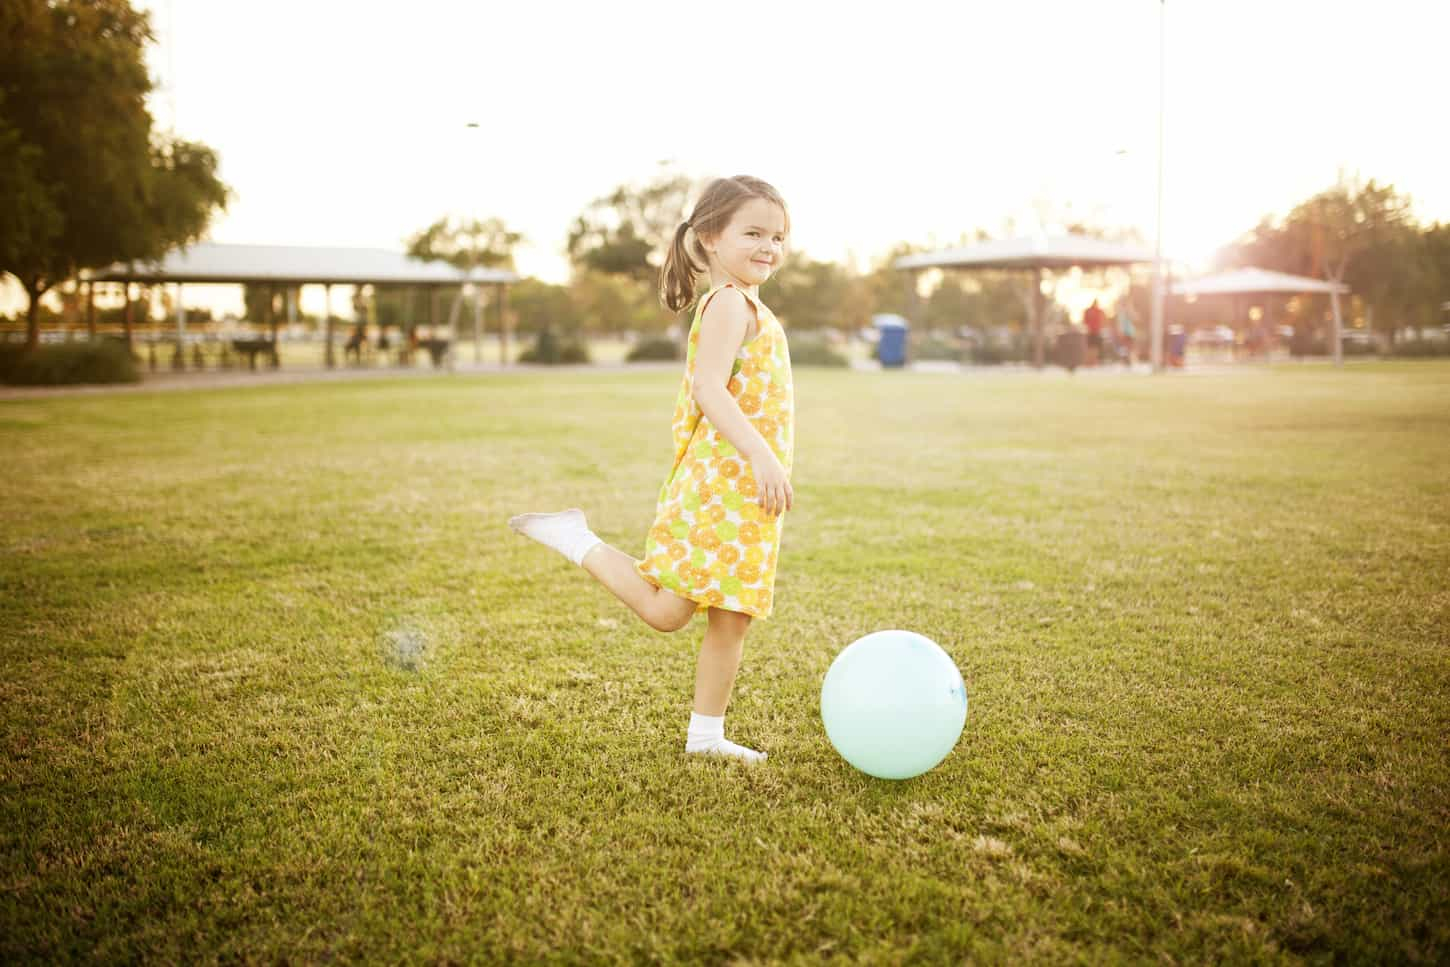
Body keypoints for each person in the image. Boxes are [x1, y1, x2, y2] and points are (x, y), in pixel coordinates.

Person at [508, 176, 793, 764]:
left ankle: (705, 737)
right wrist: (761, 455)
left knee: (733, 614)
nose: (769, 247)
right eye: (754, 233)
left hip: (749, 489)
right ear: (710, 237)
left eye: (778, 236)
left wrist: (765, 462)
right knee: (669, 613)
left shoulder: (750, 304)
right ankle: (576, 538)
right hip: (722, 486)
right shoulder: (728, 303)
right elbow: (709, 390)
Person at [1083, 298, 1106, 366]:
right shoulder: (1091, 311)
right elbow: (1085, 321)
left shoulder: (1098, 311)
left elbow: (1102, 321)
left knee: (1094, 348)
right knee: (1091, 348)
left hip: (1096, 332)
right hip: (1091, 332)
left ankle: (1093, 362)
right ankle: (1090, 362)